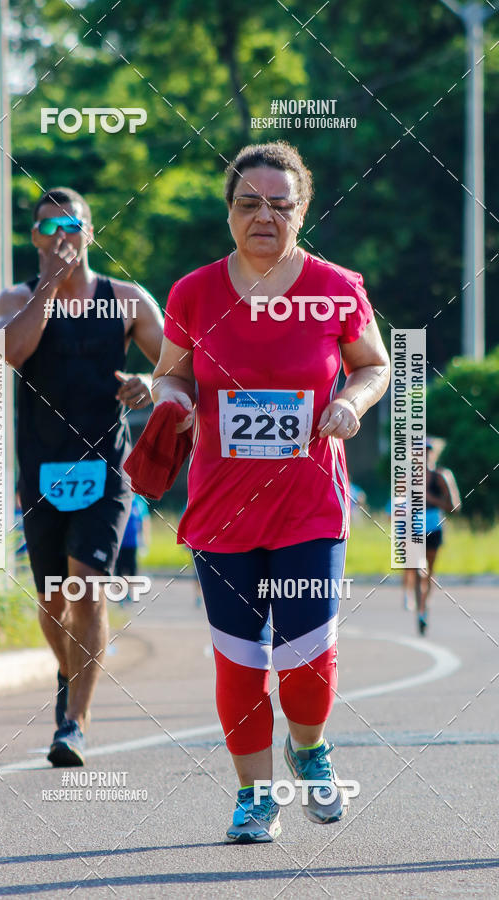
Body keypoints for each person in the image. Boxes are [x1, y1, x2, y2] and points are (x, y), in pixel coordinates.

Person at [151, 142, 390, 842]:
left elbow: (373, 365)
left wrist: (353, 402)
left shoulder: (337, 286)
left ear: (302, 210)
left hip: (310, 503)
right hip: (222, 507)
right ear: (229, 210)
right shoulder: (193, 292)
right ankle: (254, 796)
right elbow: (172, 374)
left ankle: (310, 747)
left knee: (306, 655)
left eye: (280, 205)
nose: (264, 216)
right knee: (241, 659)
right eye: (249, 202)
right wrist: (174, 403)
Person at [0, 187, 163, 765]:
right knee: (51, 600)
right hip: (42, 469)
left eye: (70, 224)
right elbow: (10, 353)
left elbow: (179, 368)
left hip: (107, 467)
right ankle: (72, 675)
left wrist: (150, 385)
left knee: (86, 585)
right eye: (46, 227)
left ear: (91, 231)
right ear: (35, 238)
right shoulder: (15, 298)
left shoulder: (128, 300)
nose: (59, 235)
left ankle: (74, 723)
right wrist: (48, 287)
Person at [408, 439, 460, 635]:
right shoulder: (409, 477)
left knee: (428, 571)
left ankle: (424, 607)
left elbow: (455, 506)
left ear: (432, 454)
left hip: (434, 526)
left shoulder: (442, 476)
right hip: (414, 527)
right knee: (416, 569)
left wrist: (432, 499)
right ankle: (419, 611)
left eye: (426, 452)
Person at [115, 493, 151, 600]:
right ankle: (121, 593)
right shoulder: (120, 496)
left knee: (132, 570)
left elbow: (145, 521)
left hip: (133, 543)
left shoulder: (139, 501)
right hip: (120, 542)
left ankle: (129, 592)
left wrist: (145, 541)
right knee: (119, 570)